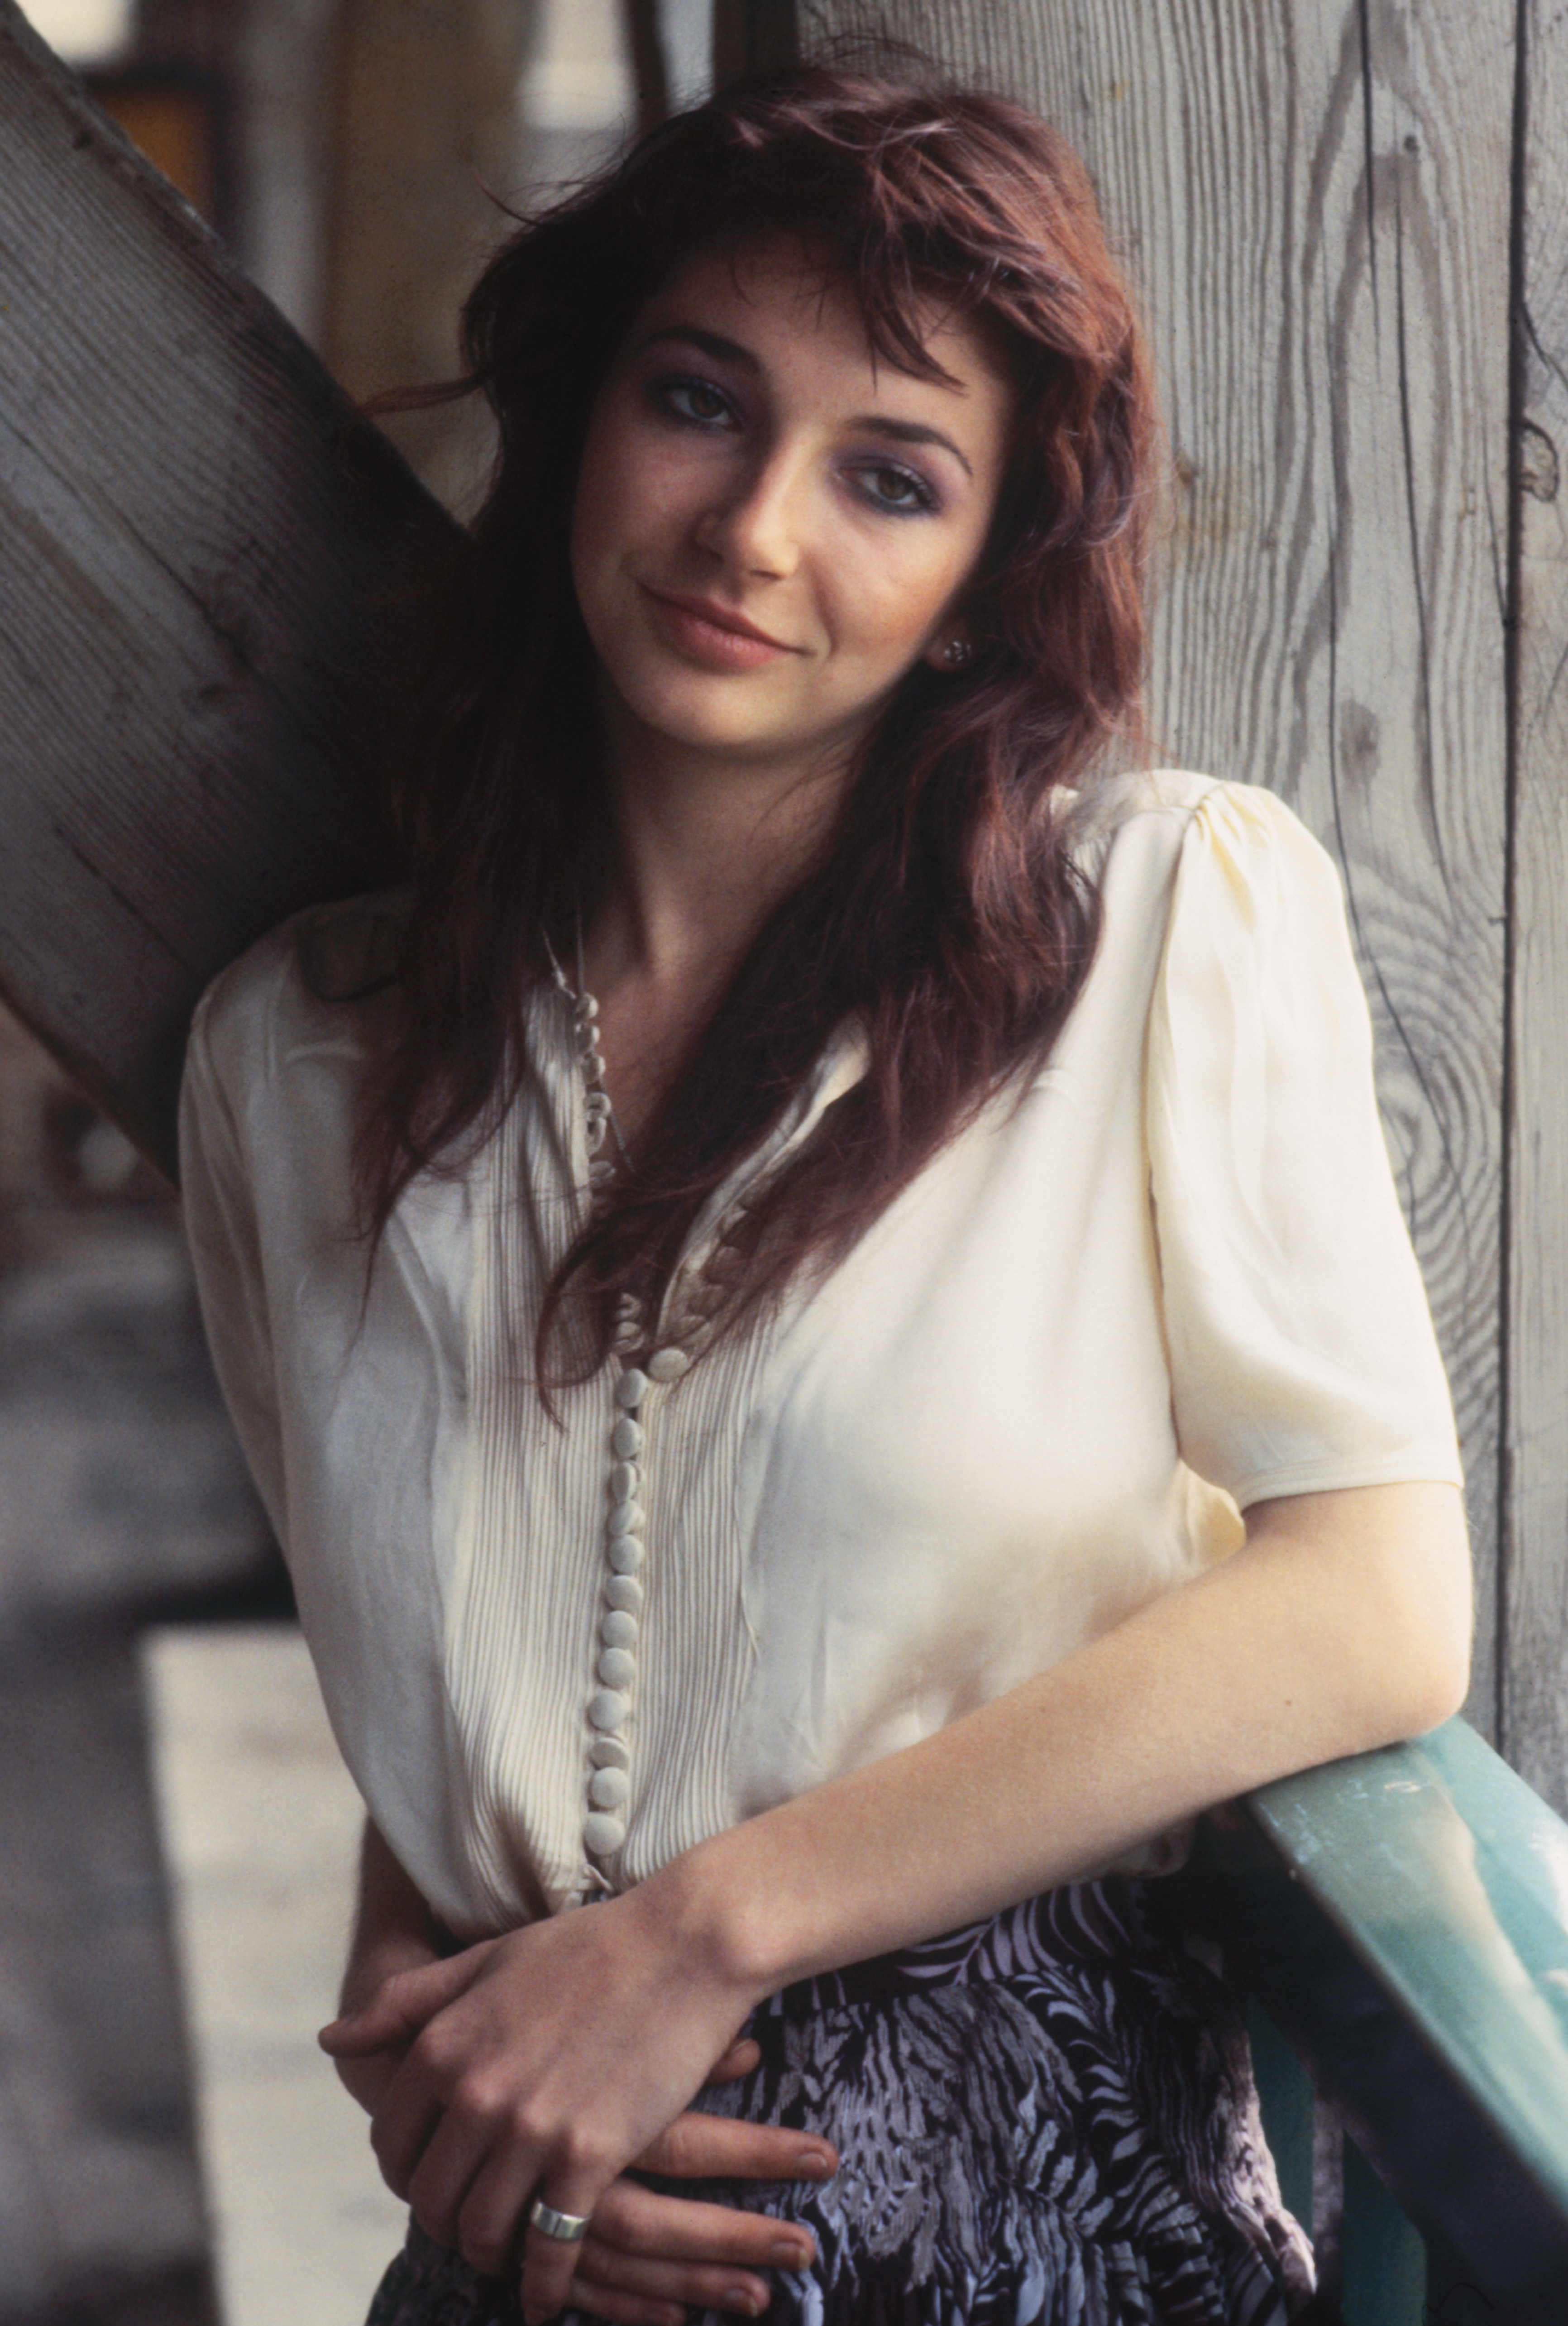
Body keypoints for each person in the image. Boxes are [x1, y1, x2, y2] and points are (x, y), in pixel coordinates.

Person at [177, 61, 1470, 2326]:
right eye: (699, 401)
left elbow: (1369, 1596)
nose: (754, 529)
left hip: (1038, 2233)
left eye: (890, 474)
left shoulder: (1159, 927)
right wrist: (433, 2031)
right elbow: (463, 1634)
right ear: (584, 418)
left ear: (982, 578)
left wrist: (692, 1937)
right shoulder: (287, 1059)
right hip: (529, 2248)